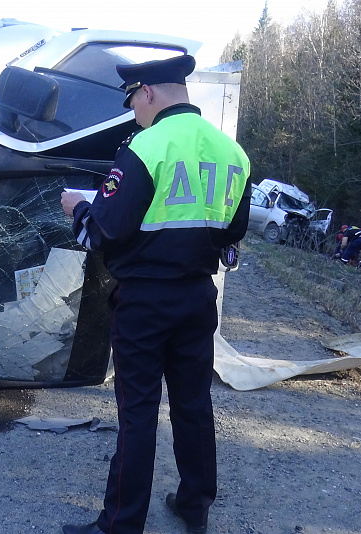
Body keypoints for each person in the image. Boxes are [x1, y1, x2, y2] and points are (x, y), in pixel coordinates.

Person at [60, 55, 251, 534]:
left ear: (146, 92)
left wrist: (80, 207)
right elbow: (235, 231)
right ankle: (194, 504)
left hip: (144, 302)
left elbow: (107, 231)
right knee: (193, 404)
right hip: (197, 299)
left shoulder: (147, 146)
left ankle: (121, 525)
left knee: (139, 412)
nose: (133, 113)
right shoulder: (233, 154)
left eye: (132, 102)